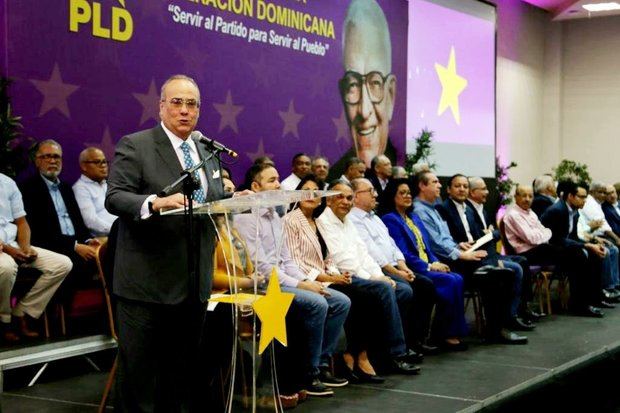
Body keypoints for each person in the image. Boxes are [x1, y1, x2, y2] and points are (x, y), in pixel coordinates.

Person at [105, 74, 227, 411]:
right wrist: (154, 203)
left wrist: (232, 196)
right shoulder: (137, 144)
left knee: (183, 373)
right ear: (161, 107)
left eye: (192, 104)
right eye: (177, 102)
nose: (184, 110)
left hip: (193, 281)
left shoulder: (207, 150)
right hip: (147, 283)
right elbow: (115, 198)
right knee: (141, 379)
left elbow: (212, 199)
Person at [234, 163, 351, 397]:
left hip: (283, 280)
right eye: (271, 180)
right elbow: (262, 268)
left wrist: (308, 281)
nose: (278, 184)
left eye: (278, 179)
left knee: (340, 301)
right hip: (263, 286)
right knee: (317, 303)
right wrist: (301, 284)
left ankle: (319, 364)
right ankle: (309, 374)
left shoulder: (276, 216)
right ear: (255, 187)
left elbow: (287, 261)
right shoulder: (246, 219)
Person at [284, 175, 387, 383]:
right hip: (305, 279)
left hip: (324, 277)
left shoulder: (315, 220)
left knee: (364, 295)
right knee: (353, 297)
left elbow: (328, 256)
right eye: (306, 190)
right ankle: (332, 361)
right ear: (296, 194)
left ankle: (349, 357)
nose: (311, 195)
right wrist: (325, 277)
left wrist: (336, 274)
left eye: (316, 192)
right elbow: (295, 262)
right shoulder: (291, 220)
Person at [317, 179, 422, 373]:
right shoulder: (323, 221)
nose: (346, 201)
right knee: (382, 289)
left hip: (359, 274)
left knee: (401, 291)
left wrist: (377, 274)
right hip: (339, 276)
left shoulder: (347, 221)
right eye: (340, 197)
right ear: (328, 200)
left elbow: (364, 253)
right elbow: (342, 259)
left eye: (349, 198)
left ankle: (377, 353)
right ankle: (396, 354)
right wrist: (374, 278)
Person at [412, 171, 527, 344]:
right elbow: (436, 243)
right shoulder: (428, 210)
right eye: (435, 182)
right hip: (451, 261)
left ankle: (501, 325)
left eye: (465, 186)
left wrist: (459, 246)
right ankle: (496, 329)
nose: (439, 185)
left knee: (506, 271)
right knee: (497, 273)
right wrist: (461, 252)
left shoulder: (434, 209)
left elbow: (446, 239)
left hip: (461, 253)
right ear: (422, 186)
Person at [349, 178, 437, 354]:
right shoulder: (354, 219)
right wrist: (396, 271)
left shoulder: (375, 218)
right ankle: (396, 347)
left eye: (374, 190)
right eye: (370, 191)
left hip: (395, 266)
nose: (375, 194)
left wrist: (403, 267)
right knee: (406, 289)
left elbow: (392, 245)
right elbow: (372, 252)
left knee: (425, 285)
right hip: (377, 268)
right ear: (356, 196)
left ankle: (414, 340)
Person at [436, 174, 534, 331]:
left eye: (465, 186)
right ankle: (499, 327)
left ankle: (508, 319)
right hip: (461, 260)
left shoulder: (467, 210)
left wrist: (488, 242)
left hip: (477, 254)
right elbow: (445, 240)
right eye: (457, 186)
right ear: (448, 189)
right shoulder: (443, 209)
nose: (462, 189)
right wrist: (462, 245)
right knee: (505, 271)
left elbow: (482, 237)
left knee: (510, 268)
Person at [380, 179, 468, 351]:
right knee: (450, 281)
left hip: (428, 263)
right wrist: (428, 267)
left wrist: (436, 261)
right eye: (402, 193)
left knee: (457, 277)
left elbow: (426, 248)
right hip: (412, 268)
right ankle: (443, 335)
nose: (407, 196)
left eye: (408, 192)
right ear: (392, 196)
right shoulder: (390, 219)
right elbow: (403, 252)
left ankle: (449, 332)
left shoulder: (413, 217)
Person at [19, 140, 100, 306]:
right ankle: (61, 314)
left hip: (76, 244)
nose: (53, 161)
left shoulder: (66, 188)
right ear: (37, 160)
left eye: (56, 157)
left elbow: (78, 223)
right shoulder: (28, 189)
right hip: (50, 246)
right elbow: (38, 231)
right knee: (74, 264)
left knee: (106, 256)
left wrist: (87, 240)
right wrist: (74, 246)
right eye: (47, 156)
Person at [330, 0, 398, 179]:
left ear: (390, 95)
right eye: (353, 85)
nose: (364, 110)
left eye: (375, 83)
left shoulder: (401, 178)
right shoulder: (333, 181)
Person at [0, 173, 72, 342]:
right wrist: (11, 251)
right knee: (6, 267)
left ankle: (21, 312)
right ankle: (4, 321)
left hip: (13, 243)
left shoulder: (7, 182)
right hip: (5, 249)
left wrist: (25, 248)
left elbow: (22, 222)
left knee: (62, 264)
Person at [540, 181, 611, 317]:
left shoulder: (574, 212)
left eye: (586, 197)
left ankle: (595, 299)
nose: (585, 200)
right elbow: (556, 239)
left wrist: (591, 242)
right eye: (581, 197)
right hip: (546, 249)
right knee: (578, 255)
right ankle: (579, 305)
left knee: (594, 253)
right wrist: (585, 245)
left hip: (561, 248)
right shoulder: (557, 210)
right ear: (571, 196)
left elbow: (572, 238)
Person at [72, 147, 117, 237]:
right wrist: (118, 230)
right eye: (97, 162)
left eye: (104, 162)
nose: (103, 165)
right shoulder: (80, 188)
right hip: (103, 239)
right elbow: (90, 222)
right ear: (83, 166)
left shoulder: (108, 184)